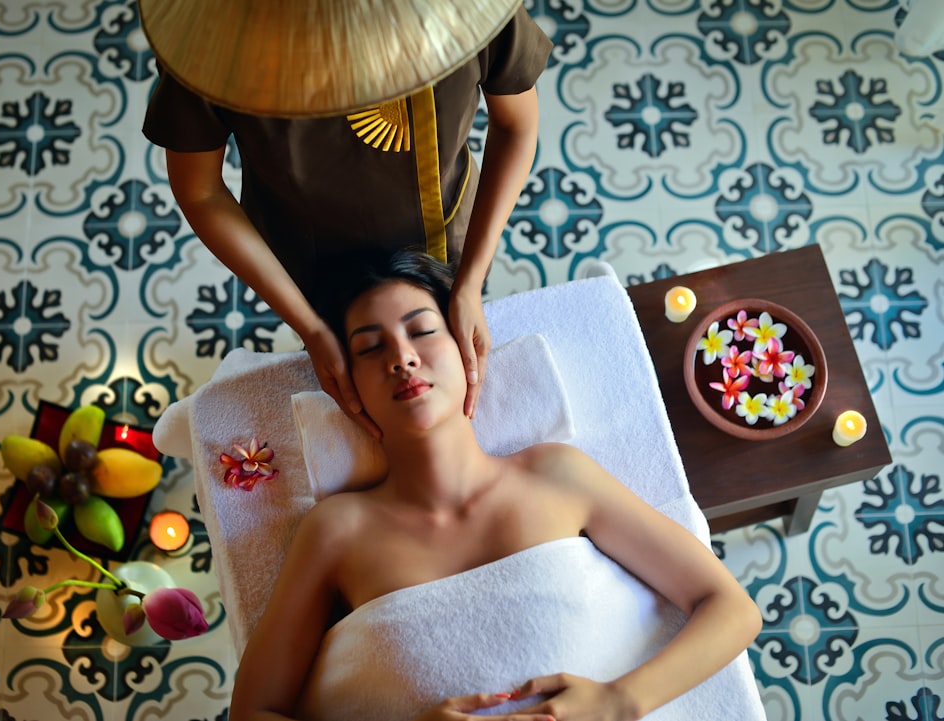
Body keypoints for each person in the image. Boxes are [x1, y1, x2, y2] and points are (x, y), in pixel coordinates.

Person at [227, 250, 763, 721]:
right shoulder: (336, 530)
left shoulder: (555, 474)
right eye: (370, 348)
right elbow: (255, 713)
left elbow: (729, 606)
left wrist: (620, 701)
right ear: (345, 383)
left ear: (467, 348)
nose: (402, 357)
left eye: (422, 330)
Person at [141, 2, 553, 437]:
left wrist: (468, 282)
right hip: (313, 268)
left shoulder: (469, 9)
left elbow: (516, 126)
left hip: (445, 242)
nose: (404, 360)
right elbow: (201, 191)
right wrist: (310, 326)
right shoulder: (216, 36)